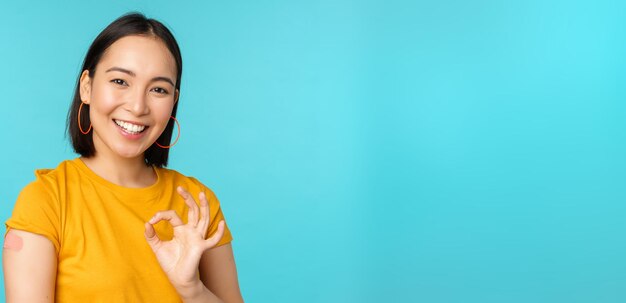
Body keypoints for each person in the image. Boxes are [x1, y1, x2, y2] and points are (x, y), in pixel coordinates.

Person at [2, 13, 244, 303]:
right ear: (87, 87)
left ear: (173, 101)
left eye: (158, 89)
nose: (138, 106)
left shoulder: (197, 203)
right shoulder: (46, 200)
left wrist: (192, 288)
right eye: (120, 81)